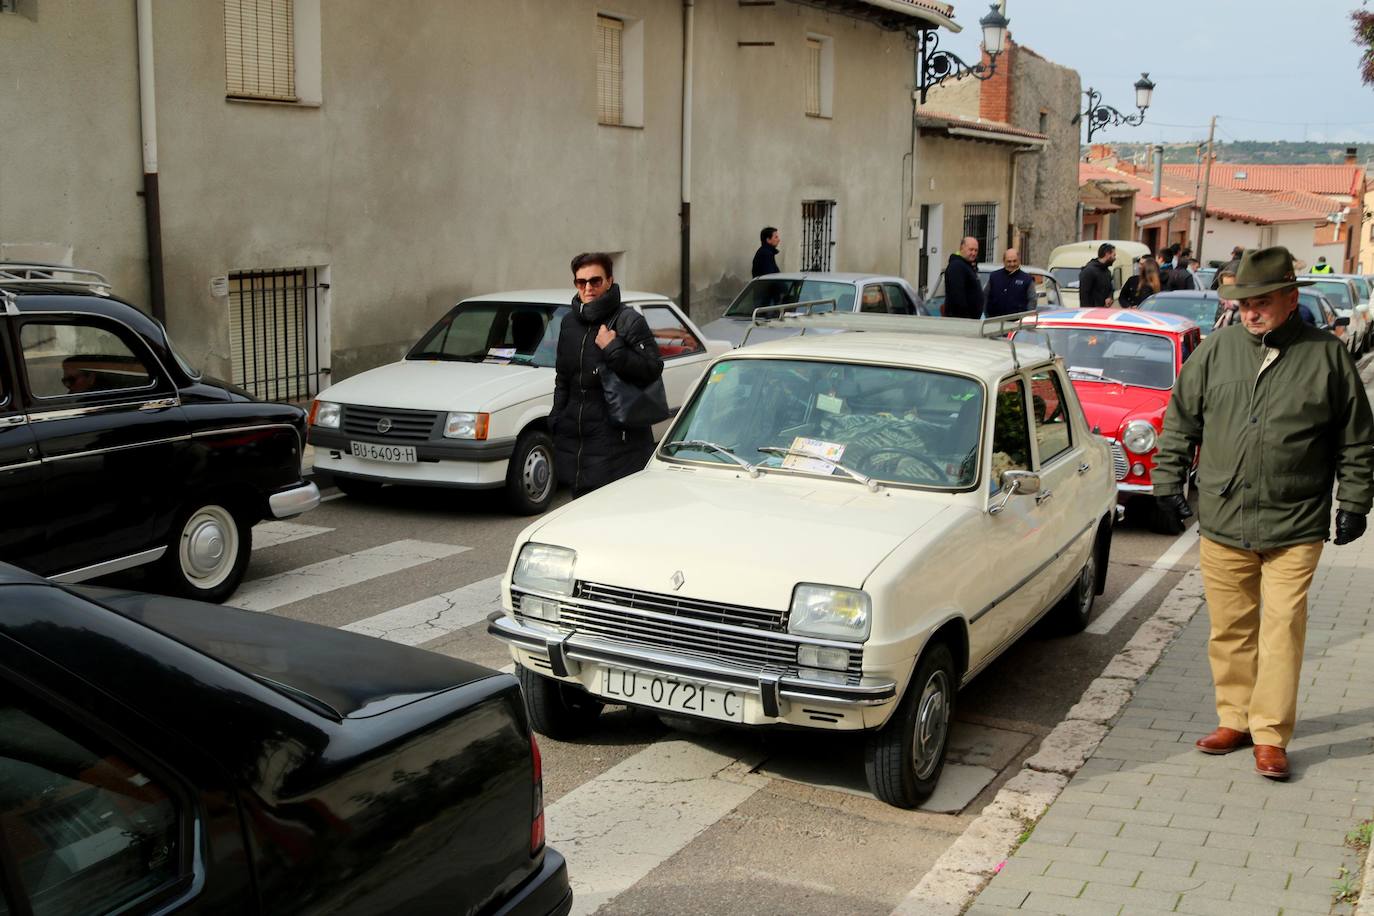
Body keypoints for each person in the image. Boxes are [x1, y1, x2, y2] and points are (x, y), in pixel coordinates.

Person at [1153, 246, 1374, 780]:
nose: (1250, 311)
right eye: (1242, 301)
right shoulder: (1216, 351)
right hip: (1224, 518)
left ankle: (1270, 734)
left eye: (1262, 301)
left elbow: (1357, 440)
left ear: (1290, 298)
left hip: (1294, 523)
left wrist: (1354, 503)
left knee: (1281, 629)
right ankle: (1235, 719)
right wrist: (1167, 481)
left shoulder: (1327, 356)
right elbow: (1181, 422)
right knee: (1229, 629)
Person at [551, 252, 665, 497]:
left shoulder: (628, 321)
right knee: (578, 518)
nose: (588, 288)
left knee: (612, 519)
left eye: (595, 281)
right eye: (581, 282)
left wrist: (614, 349)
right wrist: (557, 417)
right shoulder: (569, 323)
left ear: (610, 281)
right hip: (576, 441)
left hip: (618, 441)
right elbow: (563, 378)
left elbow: (653, 368)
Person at [985, 248, 1036, 317]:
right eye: (1009, 261)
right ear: (1004, 261)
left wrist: (1027, 318)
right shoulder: (994, 277)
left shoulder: (1027, 279)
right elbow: (985, 297)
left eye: (1015, 261)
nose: (1012, 264)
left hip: (1018, 323)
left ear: (1019, 261)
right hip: (994, 321)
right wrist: (987, 316)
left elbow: (1032, 300)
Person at [942, 236, 985, 319]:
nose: (974, 253)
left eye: (976, 250)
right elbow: (957, 295)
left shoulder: (967, 266)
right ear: (962, 248)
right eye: (971, 249)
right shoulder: (957, 266)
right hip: (962, 321)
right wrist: (966, 318)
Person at [1079, 243, 1116, 308]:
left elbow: (1110, 289)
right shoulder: (1089, 271)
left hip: (1103, 311)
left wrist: (1110, 297)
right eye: (1114, 255)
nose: (1115, 258)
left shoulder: (1107, 272)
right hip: (1091, 313)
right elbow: (1084, 296)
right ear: (1107, 254)